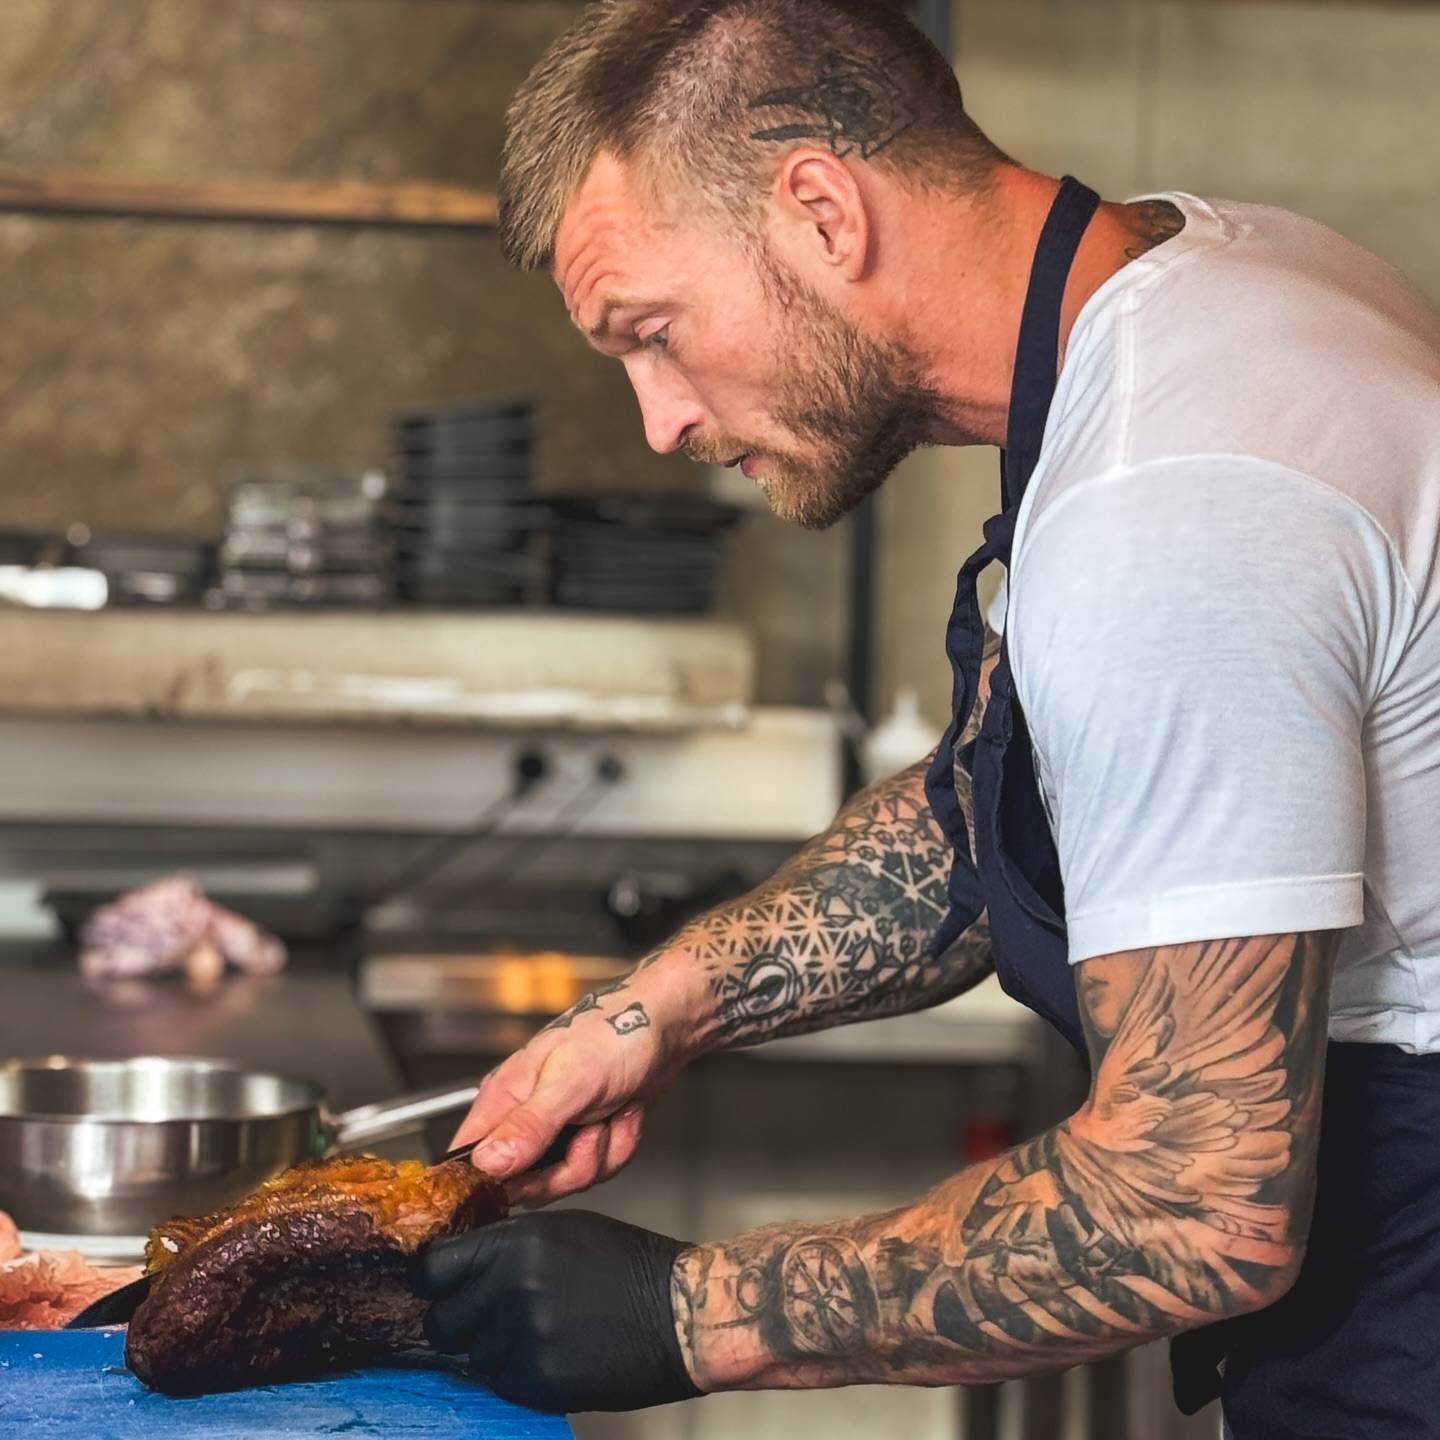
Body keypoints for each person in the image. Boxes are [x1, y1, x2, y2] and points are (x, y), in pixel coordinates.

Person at [407, 2, 1440, 1434]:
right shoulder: (1214, 279)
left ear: (822, 212)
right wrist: (651, 1014)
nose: (660, 421)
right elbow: (987, 816)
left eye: (655, 334)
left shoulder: (1173, 502)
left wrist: (683, 1313)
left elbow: (1194, 1208)